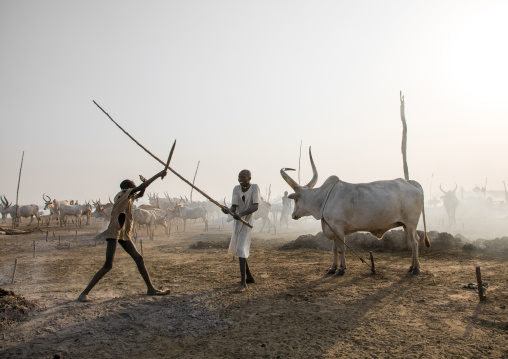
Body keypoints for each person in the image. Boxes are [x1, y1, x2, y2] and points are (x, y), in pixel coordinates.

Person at [78, 169, 170, 302]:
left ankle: (150, 289)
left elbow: (141, 192)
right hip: (115, 232)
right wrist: (158, 174)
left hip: (123, 233)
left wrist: (144, 183)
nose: (135, 189)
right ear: (127, 188)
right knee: (108, 265)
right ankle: (84, 293)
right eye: (134, 186)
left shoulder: (127, 196)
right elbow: (141, 188)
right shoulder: (123, 194)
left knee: (139, 259)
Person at [222, 169, 259, 292]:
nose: (240, 181)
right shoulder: (236, 189)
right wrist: (228, 210)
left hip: (247, 222)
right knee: (239, 247)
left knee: (240, 248)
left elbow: (255, 206)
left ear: (249, 178)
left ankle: (243, 284)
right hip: (238, 221)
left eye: (243, 179)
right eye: (239, 178)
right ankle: (249, 277)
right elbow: (234, 206)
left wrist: (241, 214)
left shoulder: (254, 188)